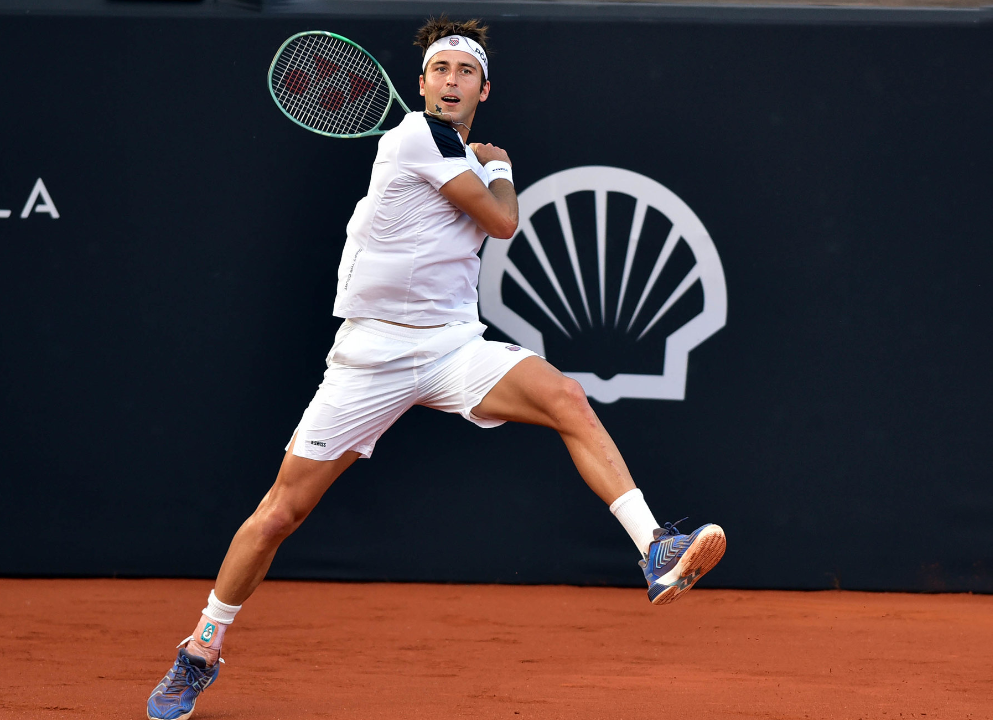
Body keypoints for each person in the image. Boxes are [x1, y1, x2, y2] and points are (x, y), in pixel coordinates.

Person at [146, 16, 726, 720]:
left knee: (565, 397)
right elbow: (504, 222)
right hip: (371, 355)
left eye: (465, 72)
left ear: (485, 87)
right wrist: (503, 167)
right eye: (440, 70)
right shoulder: (414, 138)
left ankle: (655, 549)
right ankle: (200, 650)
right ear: (420, 84)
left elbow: (488, 218)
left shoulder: (458, 157)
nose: (451, 81)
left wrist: (488, 169)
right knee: (279, 514)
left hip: (450, 346)